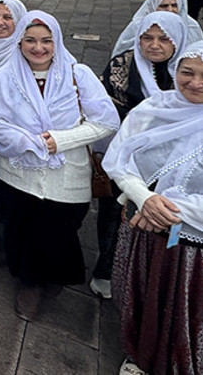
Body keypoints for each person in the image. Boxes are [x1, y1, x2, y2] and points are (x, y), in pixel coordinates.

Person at [0, 11, 119, 321]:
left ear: (56, 42)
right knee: (22, 227)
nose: (38, 48)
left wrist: (60, 140)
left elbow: (106, 120)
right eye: (30, 40)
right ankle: (29, 283)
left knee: (58, 229)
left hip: (66, 171)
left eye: (45, 41)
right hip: (18, 170)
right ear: (20, 42)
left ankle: (52, 276)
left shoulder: (76, 75)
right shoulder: (8, 75)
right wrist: (24, 140)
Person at [101, 40, 203, 375]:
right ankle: (140, 355)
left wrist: (166, 208)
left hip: (190, 242)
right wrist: (143, 197)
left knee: (184, 308)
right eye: (187, 72)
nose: (195, 83)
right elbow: (119, 158)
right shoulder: (155, 107)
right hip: (145, 226)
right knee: (145, 293)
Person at [92, 11, 187, 300]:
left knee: (162, 224)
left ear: (178, 42)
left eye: (163, 39)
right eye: (147, 37)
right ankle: (106, 269)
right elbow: (105, 108)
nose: (154, 45)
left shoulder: (187, 71)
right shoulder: (123, 65)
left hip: (173, 165)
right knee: (113, 216)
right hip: (123, 156)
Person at [110, 0, 203, 57]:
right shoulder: (139, 25)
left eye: (174, 5)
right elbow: (122, 51)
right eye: (164, 6)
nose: (170, 10)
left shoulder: (191, 27)